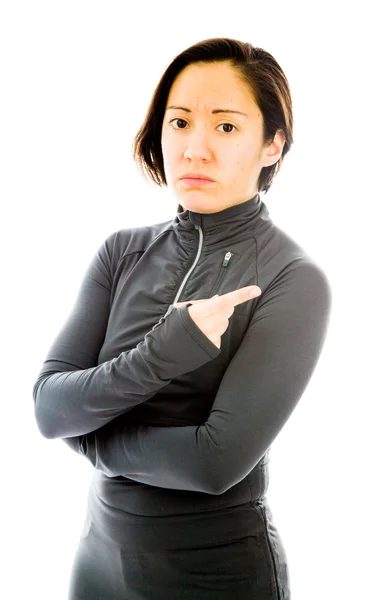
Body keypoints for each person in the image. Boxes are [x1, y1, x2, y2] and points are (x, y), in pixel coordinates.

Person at [33, 37, 332, 599]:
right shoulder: (120, 252)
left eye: (225, 127)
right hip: (98, 562)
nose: (194, 149)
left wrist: (92, 438)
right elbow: (49, 407)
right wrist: (166, 351)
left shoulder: (293, 278)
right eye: (179, 122)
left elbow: (213, 463)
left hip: (214, 575)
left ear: (273, 144)